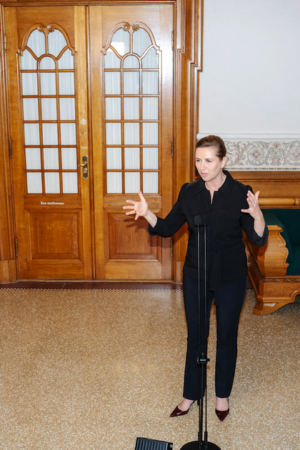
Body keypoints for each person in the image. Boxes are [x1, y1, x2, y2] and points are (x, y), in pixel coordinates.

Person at [123, 135, 268, 422]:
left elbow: (257, 238)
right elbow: (166, 228)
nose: (202, 166)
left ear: (223, 161)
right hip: (196, 274)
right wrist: (148, 214)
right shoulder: (189, 192)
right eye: (198, 160)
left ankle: (222, 395)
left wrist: (258, 214)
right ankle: (192, 392)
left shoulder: (241, 193)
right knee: (196, 336)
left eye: (209, 160)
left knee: (227, 335)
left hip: (231, 275)